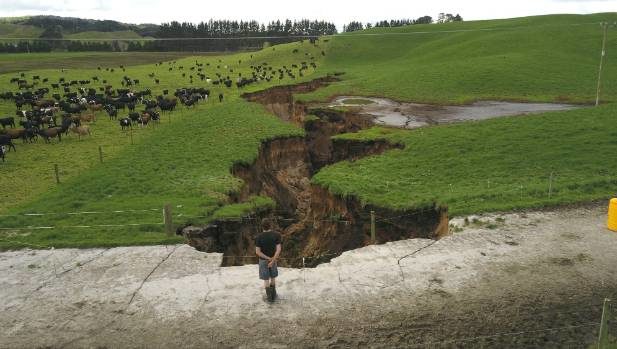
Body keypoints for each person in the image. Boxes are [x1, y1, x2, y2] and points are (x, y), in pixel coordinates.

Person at [255, 218, 282, 302]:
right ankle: (274, 295)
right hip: (273, 259)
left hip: (263, 261)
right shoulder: (277, 235)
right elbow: (278, 250)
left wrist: (267, 258)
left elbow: (258, 252)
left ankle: (269, 298)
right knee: (273, 277)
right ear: (270, 225)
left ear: (262, 227)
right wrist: (272, 260)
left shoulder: (258, 237)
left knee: (266, 279)